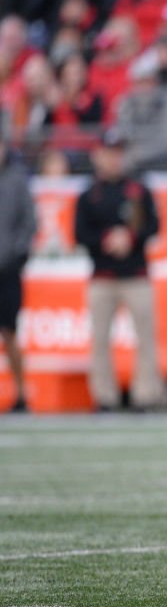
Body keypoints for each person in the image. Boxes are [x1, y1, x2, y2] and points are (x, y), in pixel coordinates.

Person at [73, 129, 163, 411]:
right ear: (97, 155)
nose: (113, 159)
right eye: (108, 153)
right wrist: (106, 240)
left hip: (136, 274)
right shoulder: (89, 194)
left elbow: (154, 226)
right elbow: (79, 233)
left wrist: (130, 238)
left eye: (117, 153)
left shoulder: (138, 189)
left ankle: (145, 395)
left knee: (145, 337)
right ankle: (104, 396)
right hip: (102, 275)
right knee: (100, 339)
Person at [0, 139, 36, 411]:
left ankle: (21, 393)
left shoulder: (16, 180)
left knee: (10, 333)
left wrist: (17, 254)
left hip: (7, 268)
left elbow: (29, 221)